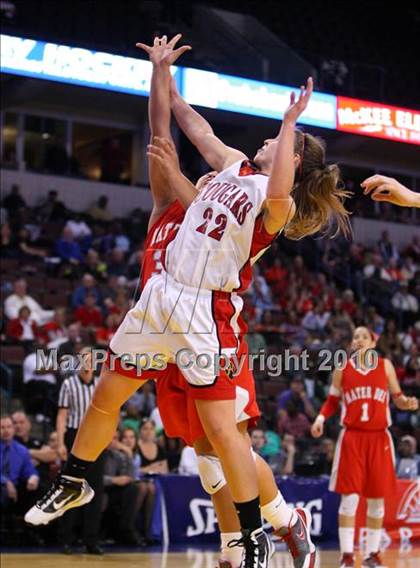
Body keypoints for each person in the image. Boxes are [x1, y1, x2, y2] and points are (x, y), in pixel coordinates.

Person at [26, 34, 347, 567]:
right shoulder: (231, 167)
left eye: (277, 140)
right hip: (161, 297)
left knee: (224, 440)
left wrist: (290, 125)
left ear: (289, 156)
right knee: (119, 401)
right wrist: (162, 73)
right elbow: (187, 124)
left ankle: (259, 536)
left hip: (205, 310)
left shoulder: (276, 205)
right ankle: (75, 480)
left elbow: (277, 189)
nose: (265, 140)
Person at [311, 326, 419, 568]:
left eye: (363, 336)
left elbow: (398, 398)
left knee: (376, 500)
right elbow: (331, 401)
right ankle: (347, 555)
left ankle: (372, 554)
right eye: (355, 337)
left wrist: (408, 403)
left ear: (373, 342)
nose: (358, 339)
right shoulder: (342, 368)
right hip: (352, 438)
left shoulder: (386, 366)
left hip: (379, 439)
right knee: (349, 499)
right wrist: (319, 419)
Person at [55, 348, 105, 555]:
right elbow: (62, 416)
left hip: (96, 437)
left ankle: (91, 540)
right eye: (85, 359)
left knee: (95, 492)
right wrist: (60, 443)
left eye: (92, 359)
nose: (88, 362)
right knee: (71, 488)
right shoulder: (69, 384)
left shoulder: (101, 385)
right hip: (74, 436)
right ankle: (66, 539)